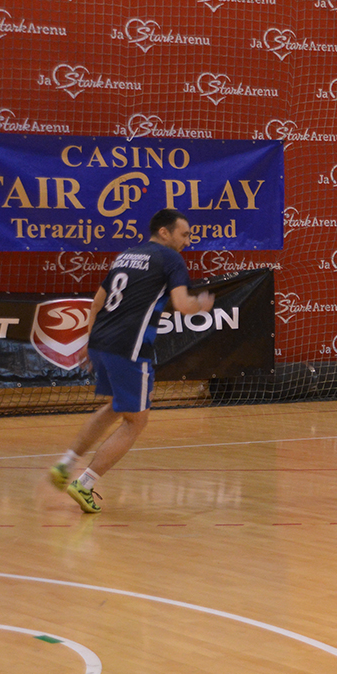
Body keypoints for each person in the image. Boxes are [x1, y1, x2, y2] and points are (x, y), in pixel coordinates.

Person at [47, 208, 213, 513]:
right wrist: (199, 304)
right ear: (164, 232)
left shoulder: (126, 255)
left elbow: (97, 302)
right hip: (130, 348)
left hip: (101, 342)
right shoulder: (171, 258)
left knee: (116, 406)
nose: (188, 241)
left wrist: (90, 342)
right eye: (184, 234)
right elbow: (181, 304)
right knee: (136, 421)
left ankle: (65, 465)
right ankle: (84, 484)